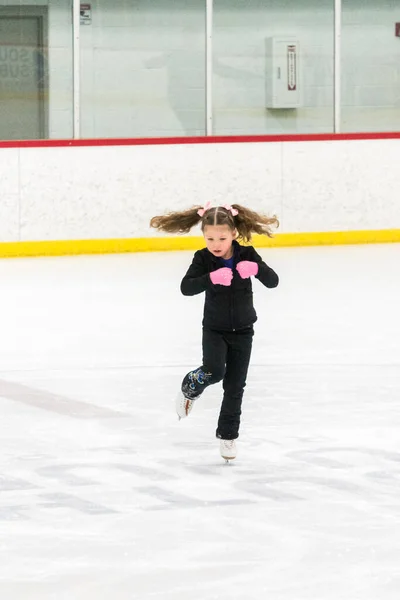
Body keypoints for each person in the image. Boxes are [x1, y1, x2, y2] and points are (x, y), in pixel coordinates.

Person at [150, 202, 279, 462]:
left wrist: (256, 269)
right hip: (214, 329)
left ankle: (228, 436)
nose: (216, 243)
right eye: (210, 238)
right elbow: (186, 287)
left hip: (244, 331)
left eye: (222, 237)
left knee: (235, 386)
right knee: (214, 372)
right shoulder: (203, 258)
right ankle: (190, 386)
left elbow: (273, 281)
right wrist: (210, 278)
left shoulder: (247, 254)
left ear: (233, 234)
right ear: (203, 236)